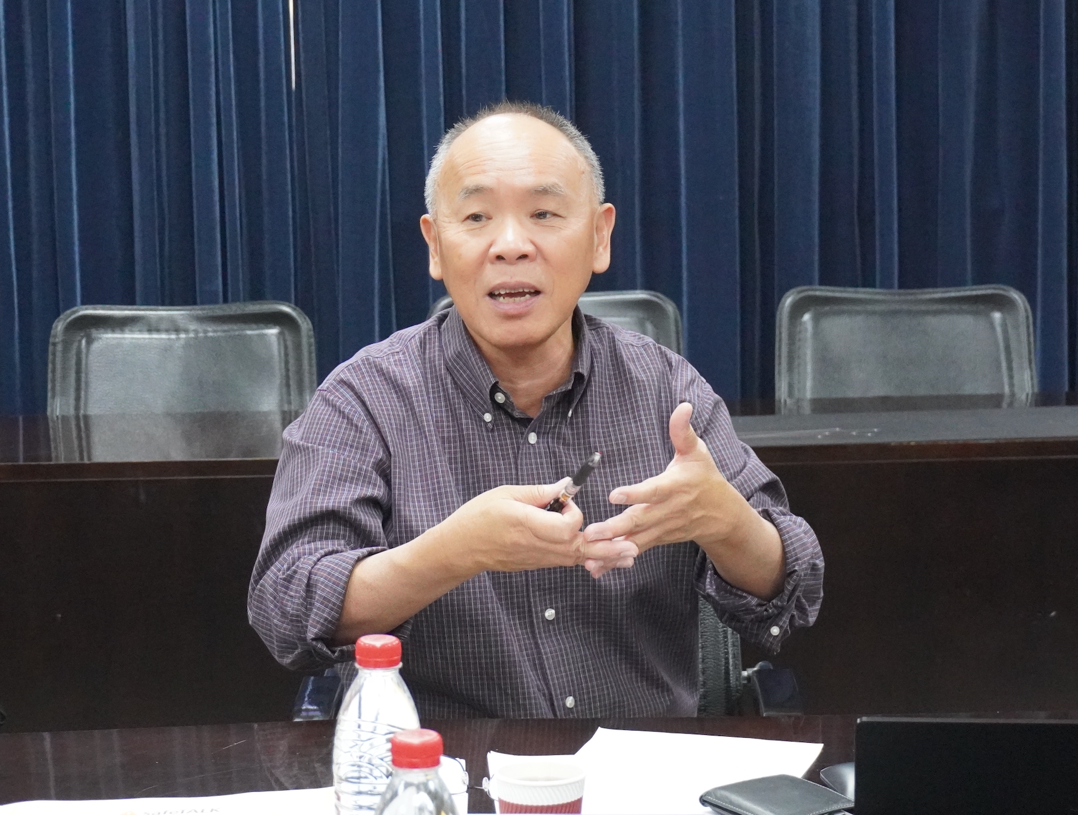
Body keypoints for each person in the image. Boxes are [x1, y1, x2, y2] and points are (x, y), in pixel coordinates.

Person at [249, 101, 823, 718]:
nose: (510, 245)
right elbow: (287, 607)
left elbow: (795, 589)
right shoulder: (364, 399)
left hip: (641, 761)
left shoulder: (666, 388)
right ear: (435, 245)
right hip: (445, 768)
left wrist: (725, 523)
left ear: (599, 236)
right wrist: (454, 552)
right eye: (476, 217)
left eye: (544, 214)